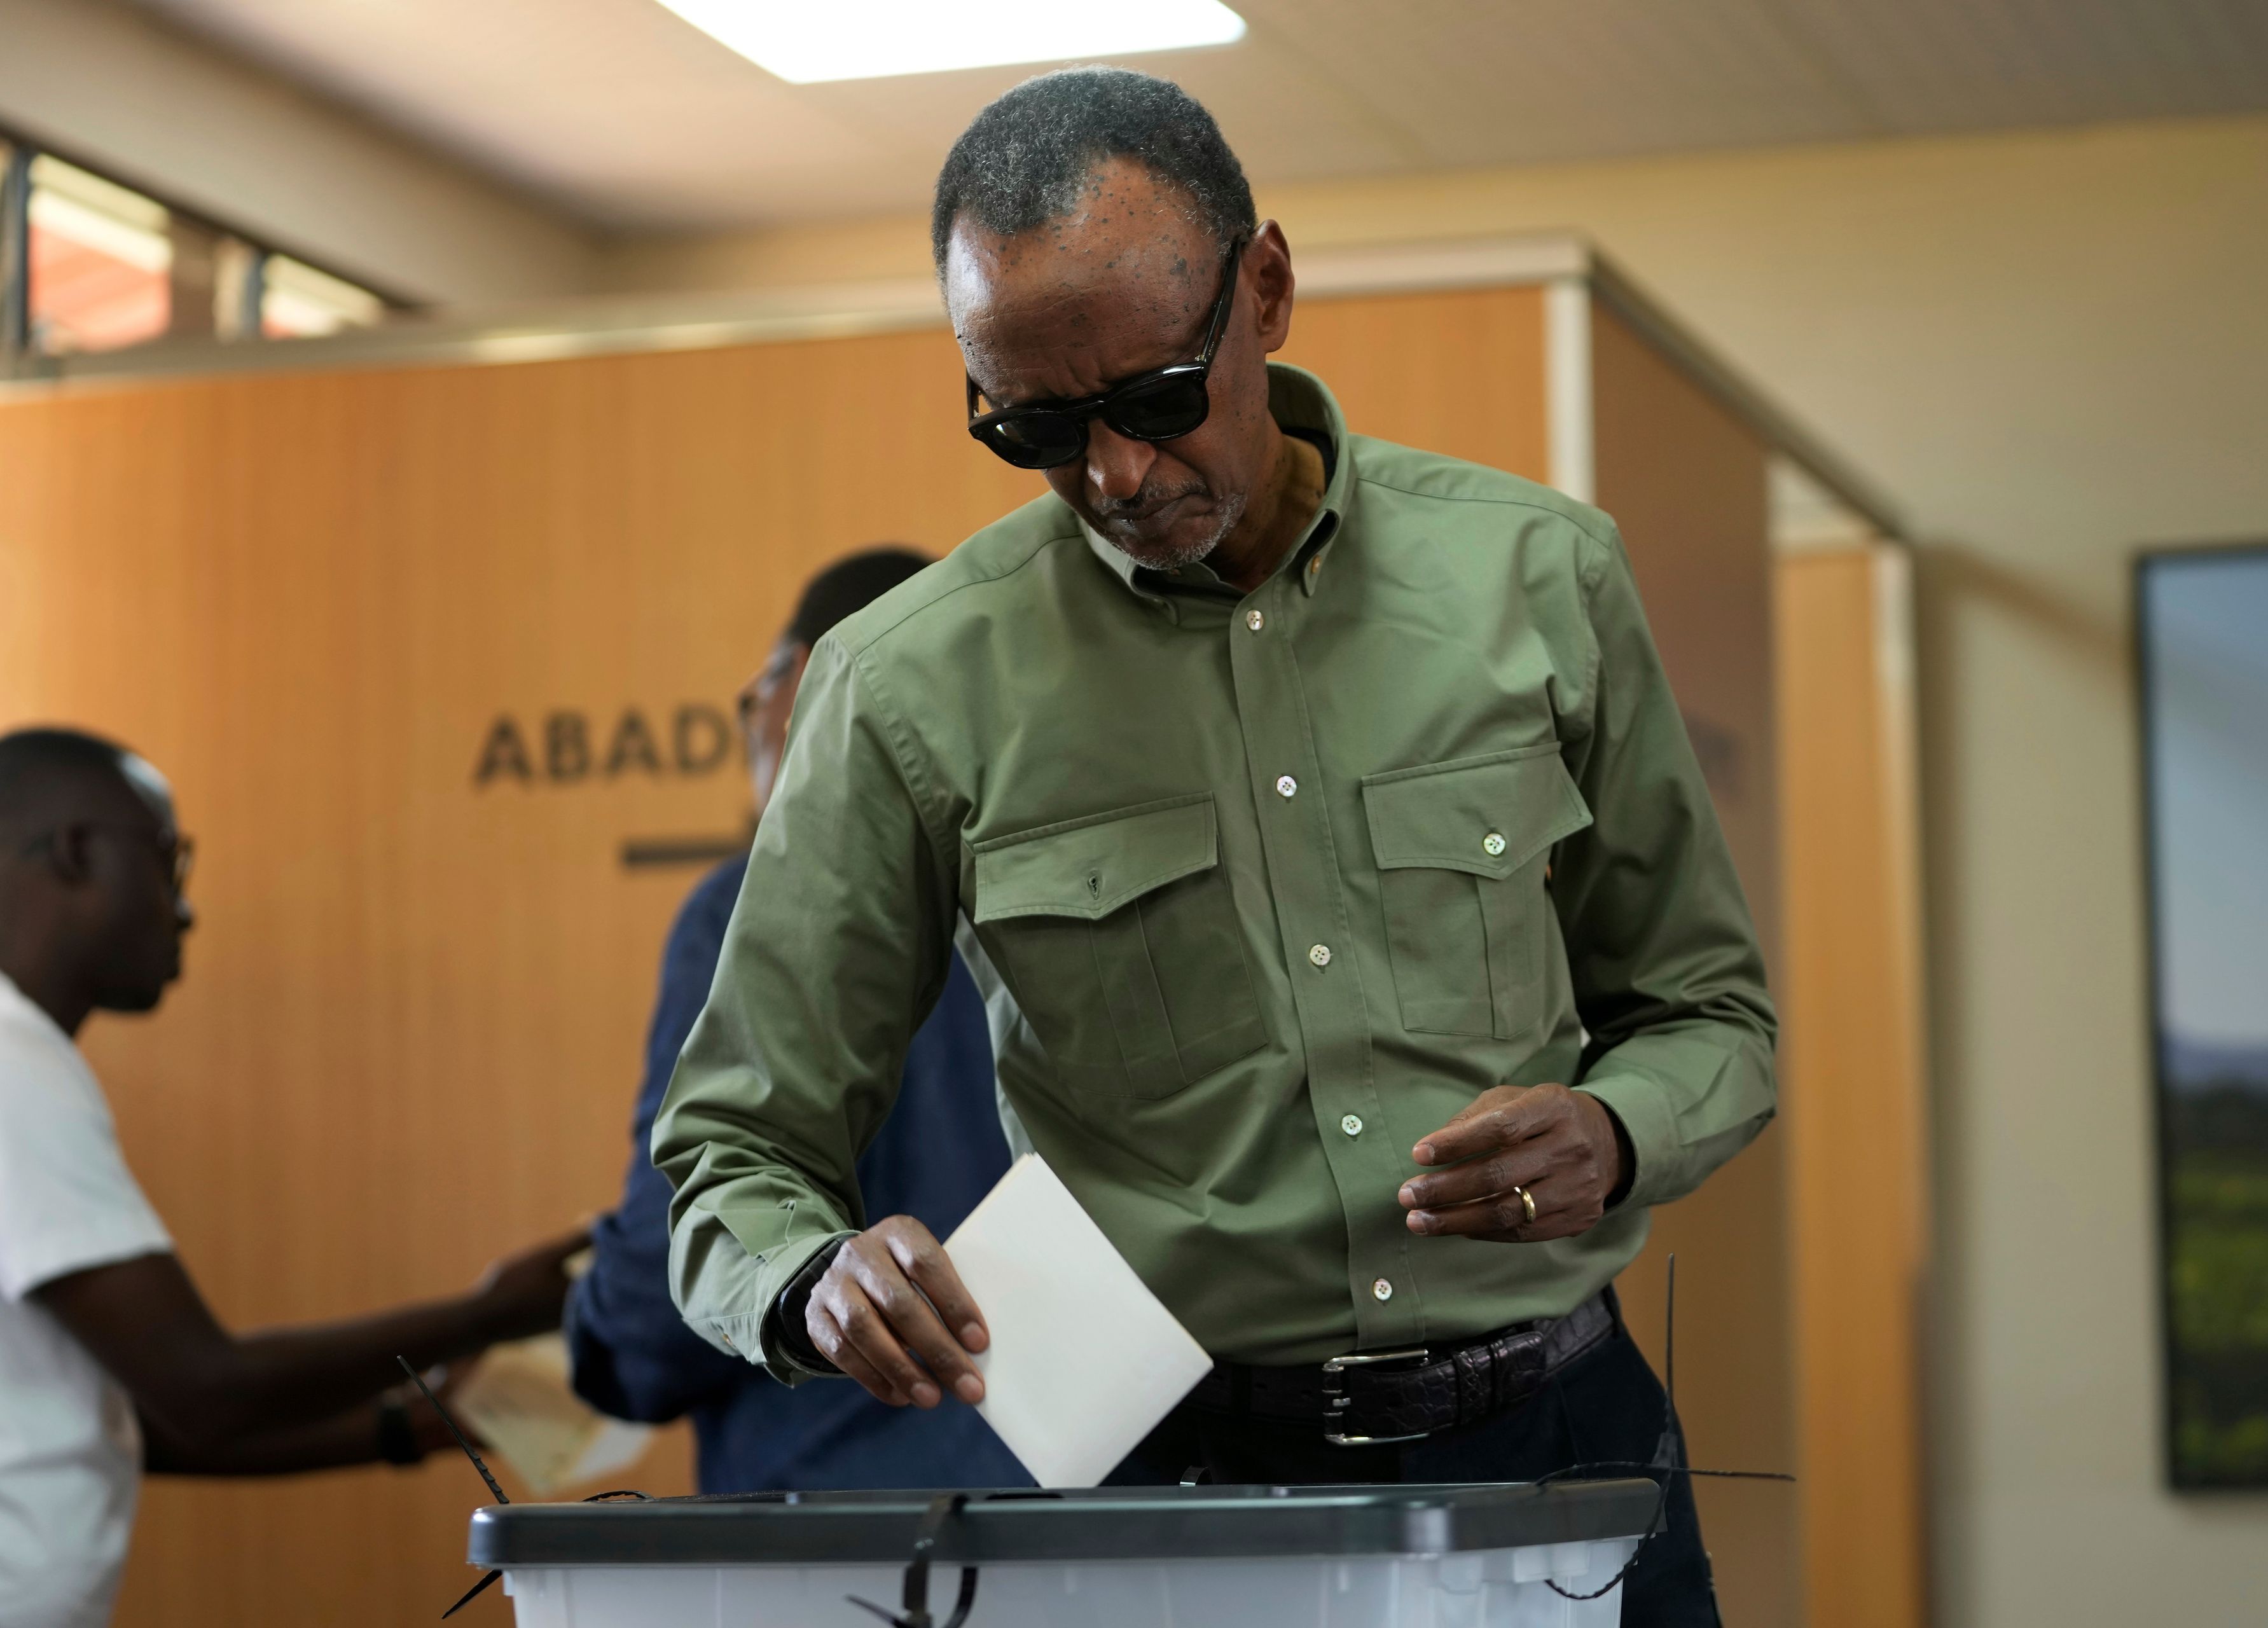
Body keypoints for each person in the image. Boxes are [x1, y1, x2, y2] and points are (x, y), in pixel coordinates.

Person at [655, 68, 1775, 1622]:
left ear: (1266, 289)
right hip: (1169, 1492)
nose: (1113, 474)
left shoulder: (1541, 578)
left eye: (1156, 398)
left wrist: (1621, 1130)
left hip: (1559, 1451)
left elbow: (1713, 1016)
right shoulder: (910, 682)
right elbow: (731, 1152)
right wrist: (806, 1276)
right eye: (1035, 425)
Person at [0, 727, 581, 1628]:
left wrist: (416, 1424)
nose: (185, 911)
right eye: (169, 863)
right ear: (77, 854)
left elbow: (131, 1416)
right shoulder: (13, 1065)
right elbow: (206, 1388)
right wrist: (496, 1310)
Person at [565, 550, 1024, 1491]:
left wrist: (587, 1319)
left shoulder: (743, 910)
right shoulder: (1058, 907)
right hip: (1097, 1509)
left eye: (756, 692)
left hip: (831, 1532)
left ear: (813, 681)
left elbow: (670, 1289)